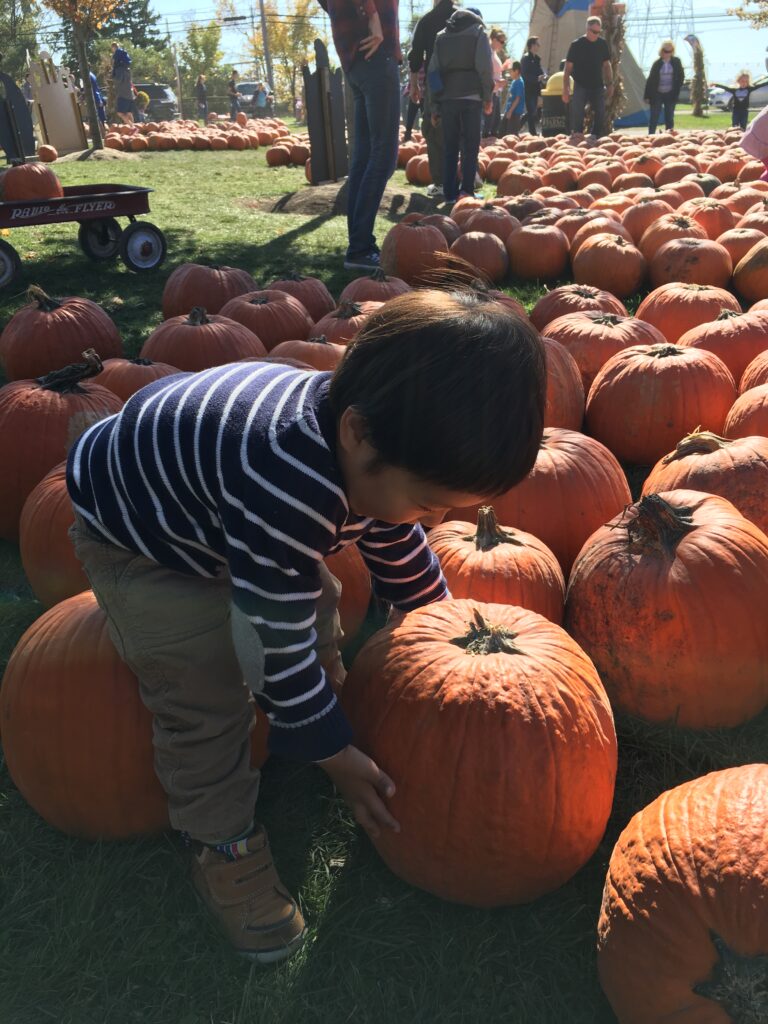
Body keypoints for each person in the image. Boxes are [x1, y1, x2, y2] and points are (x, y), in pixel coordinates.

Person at [65, 289, 545, 964]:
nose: (432, 521)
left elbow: (395, 539)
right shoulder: (287, 476)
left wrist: (438, 625)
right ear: (357, 433)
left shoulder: (375, 441)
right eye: (428, 502)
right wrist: (333, 750)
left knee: (311, 594)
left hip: (222, 508)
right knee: (203, 689)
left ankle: (318, 718)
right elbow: (269, 647)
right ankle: (221, 844)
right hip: (143, 538)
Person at [318, 0, 402, 270]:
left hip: (355, 58)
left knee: (365, 156)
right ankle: (360, 247)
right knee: (383, 156)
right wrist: (371, 15)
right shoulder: (370, 19)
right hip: (375, 50)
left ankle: (358, 245)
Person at [428, 7, 494, 205]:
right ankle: (466, 191)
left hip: (448, 99)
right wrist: (487, 96)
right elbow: (484, 67)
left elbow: (433, 72)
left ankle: (449, 194)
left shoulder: (441, 36)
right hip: (472, 98)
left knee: (450, 146)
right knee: (470, 146)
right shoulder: (478, 33)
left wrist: (435, 106)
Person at [408, 0, 460, 198]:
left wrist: (414, 84)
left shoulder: (428, 20)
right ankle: (463, 178)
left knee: (434, 128)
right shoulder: (463, 18)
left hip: (435, 81)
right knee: (459, 128)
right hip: (460, 82)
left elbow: (416, 55)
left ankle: (440, 181)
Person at [562, 15, 613, 138]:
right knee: (578, 112)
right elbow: (567, 69)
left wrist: (610, 83)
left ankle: (595, 135)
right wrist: (565, 88)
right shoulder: (576, 45)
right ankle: (578, 134)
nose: (596, 34)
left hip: (597, 85)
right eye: (594, 31)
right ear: (587, 29)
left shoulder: (602, 44)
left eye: (598, 32)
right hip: (581, 84)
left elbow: (607, 65)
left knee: (600, 111)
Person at [643, 40, 684, 134]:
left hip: (671, 93)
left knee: (669, 117)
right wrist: (647, 96)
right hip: (657, 93)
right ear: (662, 51)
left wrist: (677, 87)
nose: (667, 53)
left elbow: (681, 76)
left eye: (670, 51)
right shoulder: (657, 64)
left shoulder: (676, 62)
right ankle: (651, 135)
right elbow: (650, 81)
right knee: (654, 116)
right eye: (665, 51)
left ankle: (669, 136)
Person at [484, 28, 508, 137]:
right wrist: (497, 82)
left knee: (495, 123)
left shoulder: (493, 53)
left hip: (495, 91)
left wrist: (500, 79)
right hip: (491, 92)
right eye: (501, 42)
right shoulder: (487, 53)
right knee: (489, 124)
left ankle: (490, 146)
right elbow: (485, 73)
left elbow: (494, 72)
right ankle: (485, 147)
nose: (502, 45)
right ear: (494, 39)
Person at [520, 36, 546, 135]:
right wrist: (536, 78)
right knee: (531, 111)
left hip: (535, 88)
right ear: (532, 45)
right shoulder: (526, 58)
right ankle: (532, 132)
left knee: (534, 111)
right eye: (537, 44)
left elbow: (540, 71)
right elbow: (525, 74)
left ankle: (519, 126)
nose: (539, 46)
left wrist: (543, 76)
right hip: (528, 88)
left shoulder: (537, 59)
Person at [110, 41, 134, 125]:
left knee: (120, 113)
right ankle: (135, 128)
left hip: (122, 95)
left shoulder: (119, 70)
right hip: (130, 94)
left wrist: (112, 77)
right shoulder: (127, 69)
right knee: (128, 113)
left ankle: (132, 127)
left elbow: (118, 80)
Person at [501, 61, 526, 137]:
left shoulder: (519, 82)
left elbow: (517, 99)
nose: (510, 73)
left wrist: (510, 112)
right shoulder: (514, 81)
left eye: (511, 71)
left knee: (511, 135)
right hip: (509, 111)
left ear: (517, 71)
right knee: (503, 132)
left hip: (514, 113)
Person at [402, 66, 424, 141]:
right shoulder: (415, 62)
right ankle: (407, 136)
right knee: (410, 117)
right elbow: (411, 77)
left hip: (424, 94)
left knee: (425, 117)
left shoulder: (428, 61)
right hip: (414, 93)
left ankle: (428, 136)